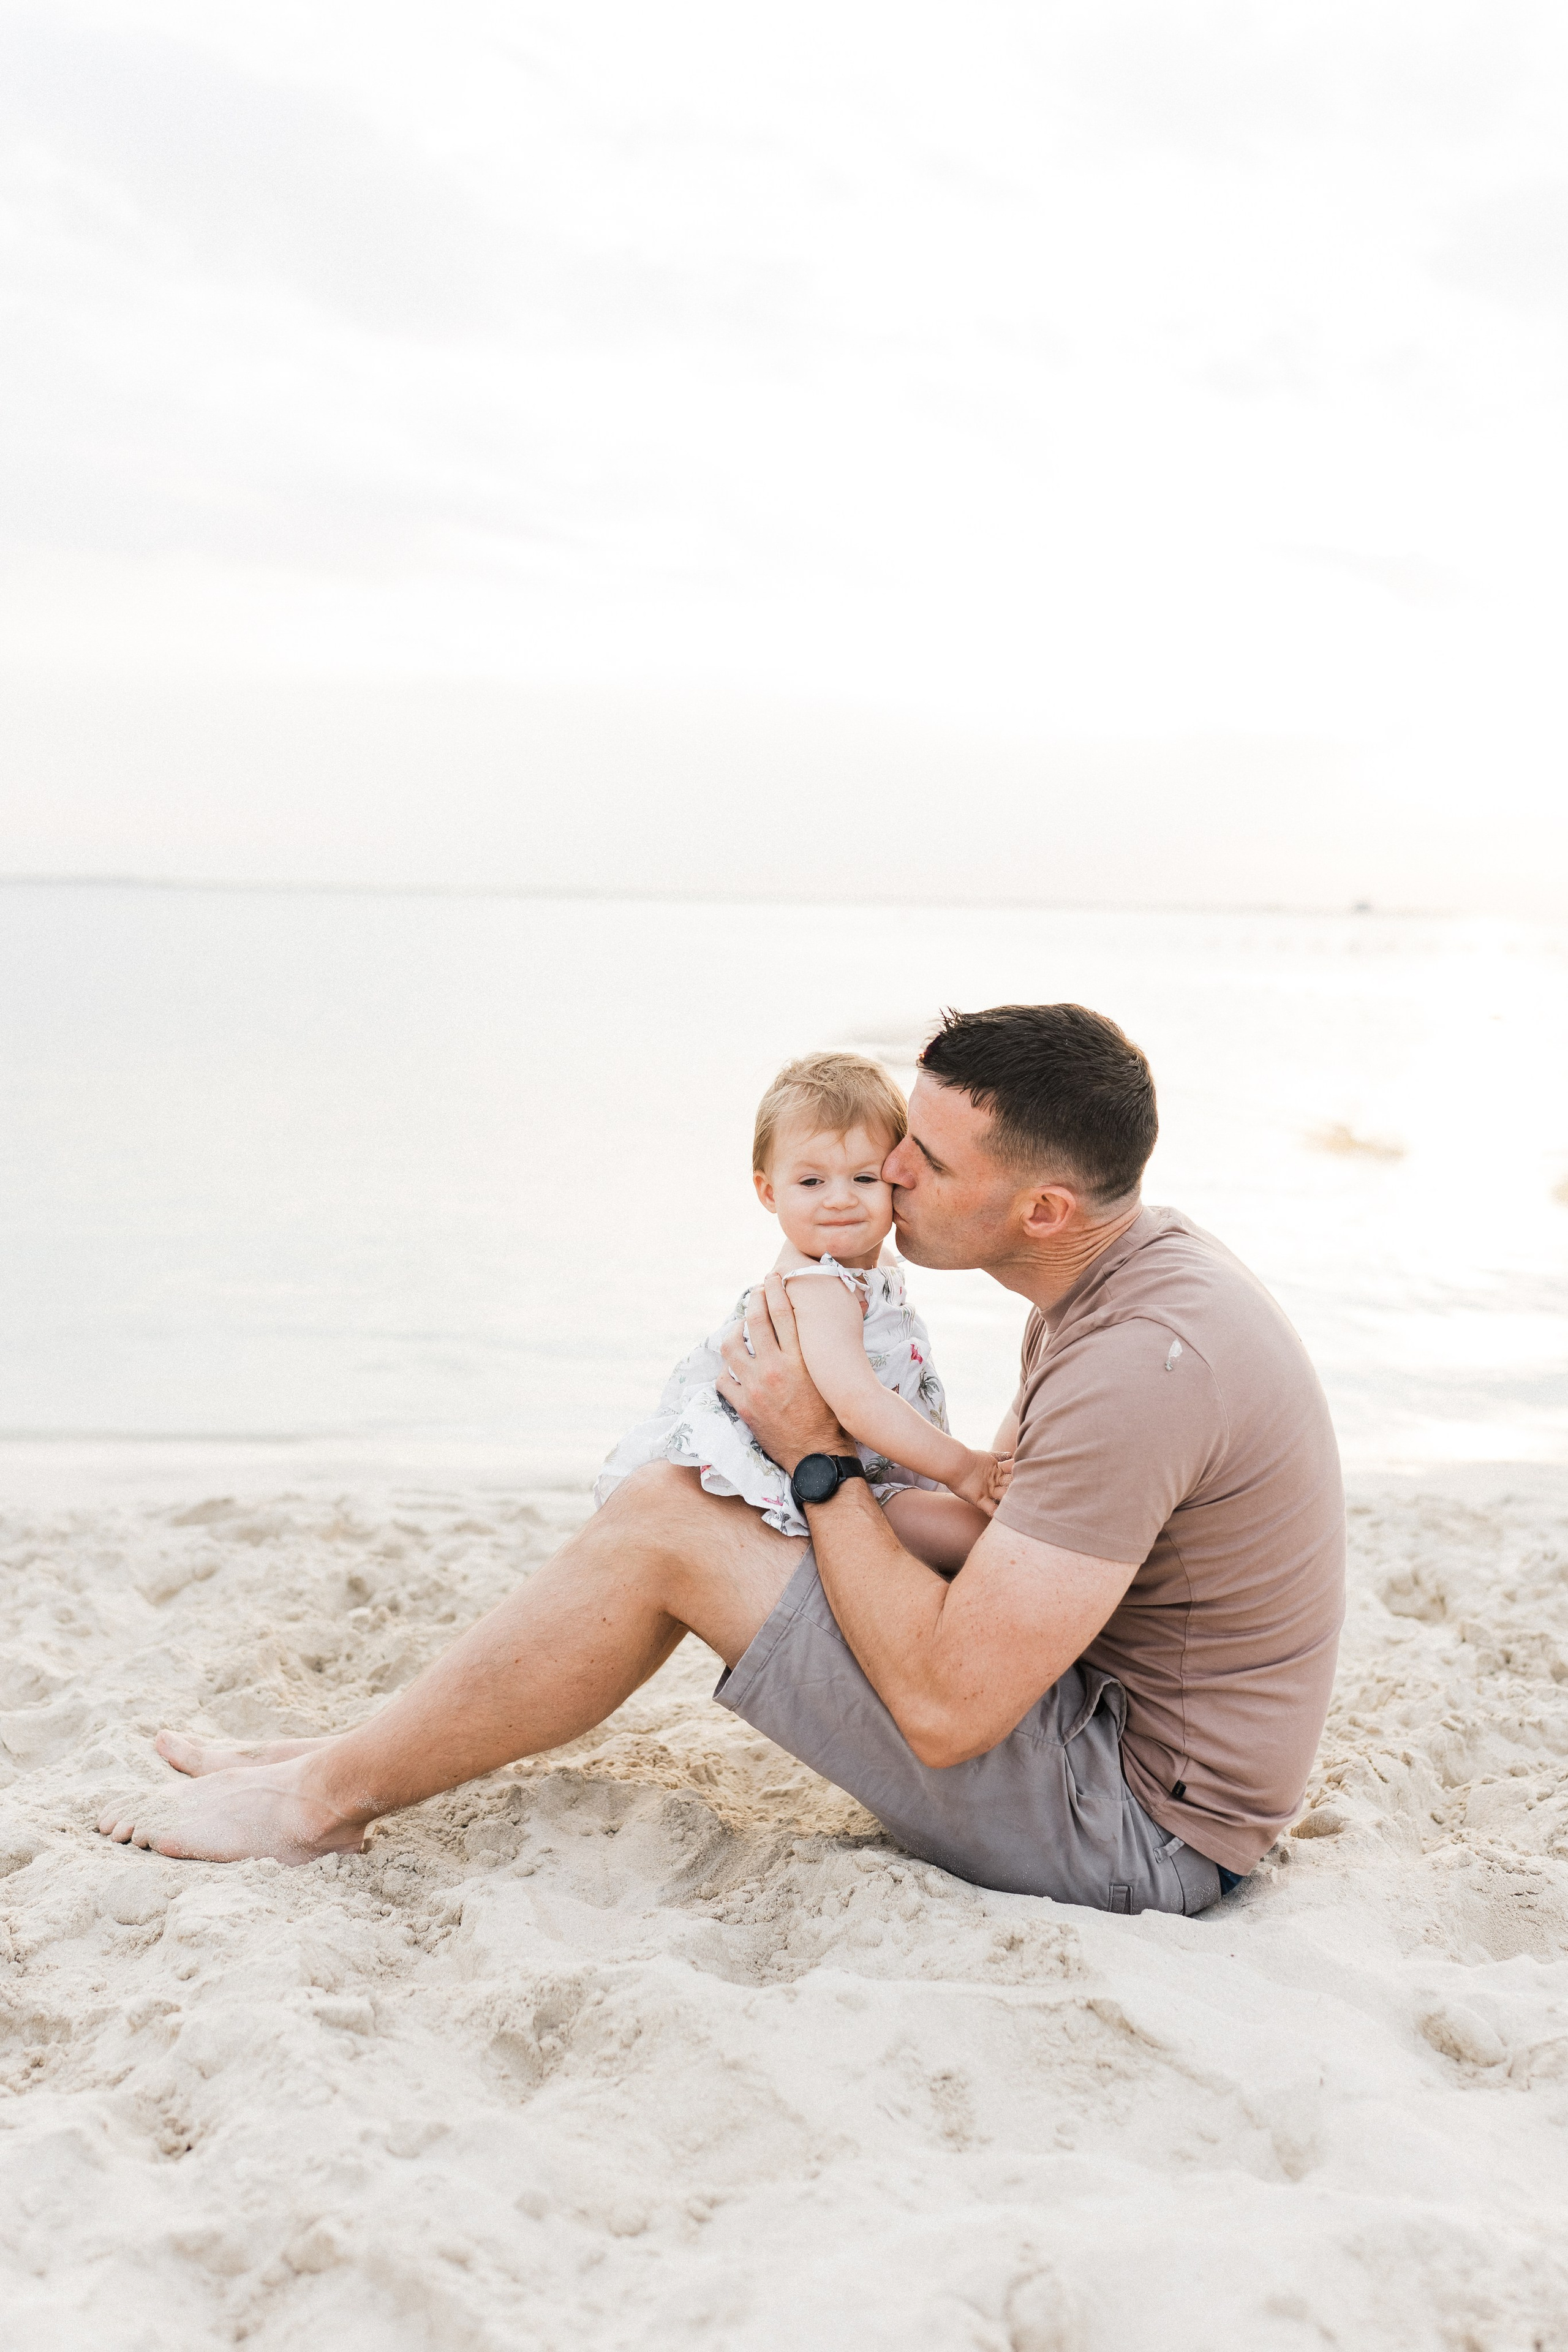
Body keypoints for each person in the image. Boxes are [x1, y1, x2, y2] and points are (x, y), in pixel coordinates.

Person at [98, 1003, 1345, 1919]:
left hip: (1128, 1829)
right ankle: (346, 1759)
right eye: (901, 1135)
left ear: (1043, 1212)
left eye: (929, 1161)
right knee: (682, 1507)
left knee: (669, 1522)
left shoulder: (1141, 1360)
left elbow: (950, 1710)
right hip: (1099, 1732)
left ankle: (316, 1804)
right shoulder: (1121, 1275)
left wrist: (815, 1459)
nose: (891, 1169)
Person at [594, 1049, 1011, 1572]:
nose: (839, 1200)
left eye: (864, 1178)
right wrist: (963, 1467)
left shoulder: (863, 1266)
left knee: (993, 1524)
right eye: (812, 1182)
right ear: (769, 1192)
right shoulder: (817, 1289)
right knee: (986, 1539)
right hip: (832, 1490)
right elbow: (858, 1404)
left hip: (876, 1471)